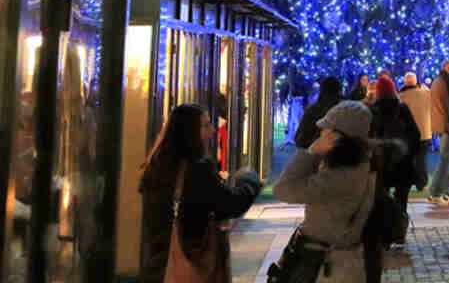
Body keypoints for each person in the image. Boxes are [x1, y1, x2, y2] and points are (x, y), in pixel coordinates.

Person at [138, 103, 262, 281]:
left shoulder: (155, 167)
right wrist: (249, 181)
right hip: (191, 259)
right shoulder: (197, 169)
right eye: (205, 125)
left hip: (159, 262)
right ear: (188, 131)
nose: (212, 131)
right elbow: (231, 204)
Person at [272, 101, 376, 283]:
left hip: (328, 266)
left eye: (326, 129)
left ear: (337, 137)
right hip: (334, 259)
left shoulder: (342, 175)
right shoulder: (359, 164)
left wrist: (311, 152)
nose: (320, 133)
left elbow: (284, 189)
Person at [368, 76, 421, 243]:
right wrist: (409, 153)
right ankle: (399, 233)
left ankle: (382, 233)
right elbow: (415, 134)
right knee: (401, 200)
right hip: (402, 161)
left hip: (381, 162)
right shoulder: (402, 108)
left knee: (380, 199)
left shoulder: (372, 110)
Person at [428, 61, 449, 204]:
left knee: (445, 158)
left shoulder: (438, 81)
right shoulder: (446, 82)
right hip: (447, 125)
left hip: (440, 124)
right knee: (445, 160)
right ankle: (435, 193)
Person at [399, 71, 432, 194]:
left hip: (408, 133)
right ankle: (421, 183)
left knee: (408, 160)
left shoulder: (401, 96)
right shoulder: (425, 92)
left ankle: (408, 181)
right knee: (421, 160)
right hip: (424, 132)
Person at [295, 77, 344, 150]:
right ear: (339, 90)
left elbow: (299, 140)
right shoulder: (345, 110)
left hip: (315, 154)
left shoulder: (313, 110)